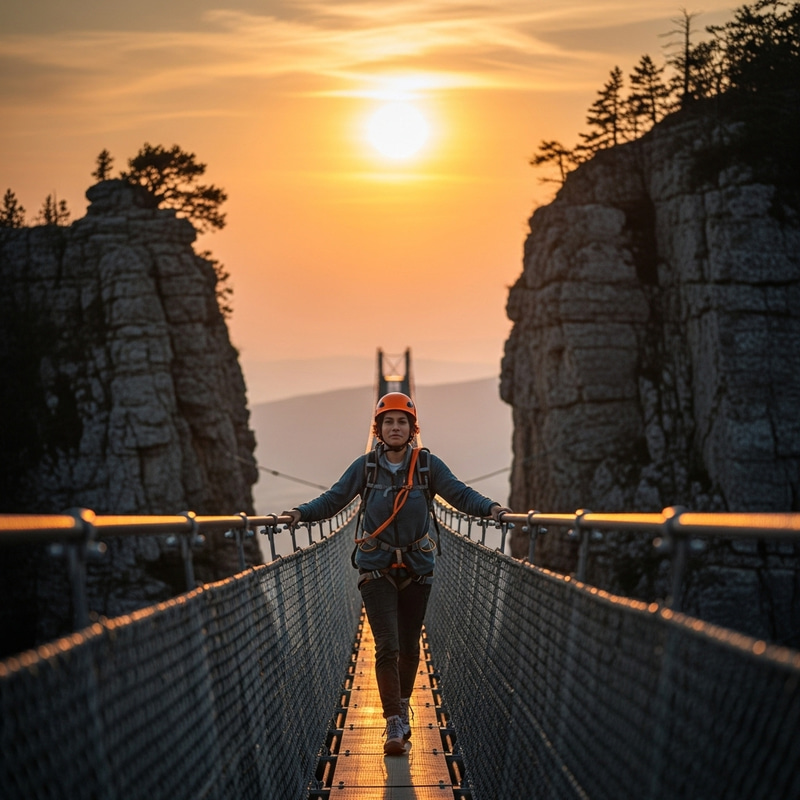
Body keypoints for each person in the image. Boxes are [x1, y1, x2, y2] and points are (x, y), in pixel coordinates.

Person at [282, 391, 508, 756]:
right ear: (379, 429)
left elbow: (460, 495)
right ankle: (394, 722)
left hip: (418, 568)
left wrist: (492, 510)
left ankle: (402, 705)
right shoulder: (365, 467)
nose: (396, 427)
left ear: (412, 428)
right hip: (375, 568)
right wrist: (299, 514)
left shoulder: (427, 466)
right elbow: (333, 500)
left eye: (402, 421)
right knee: (387, 645)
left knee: (408, 644)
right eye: (389, 422)